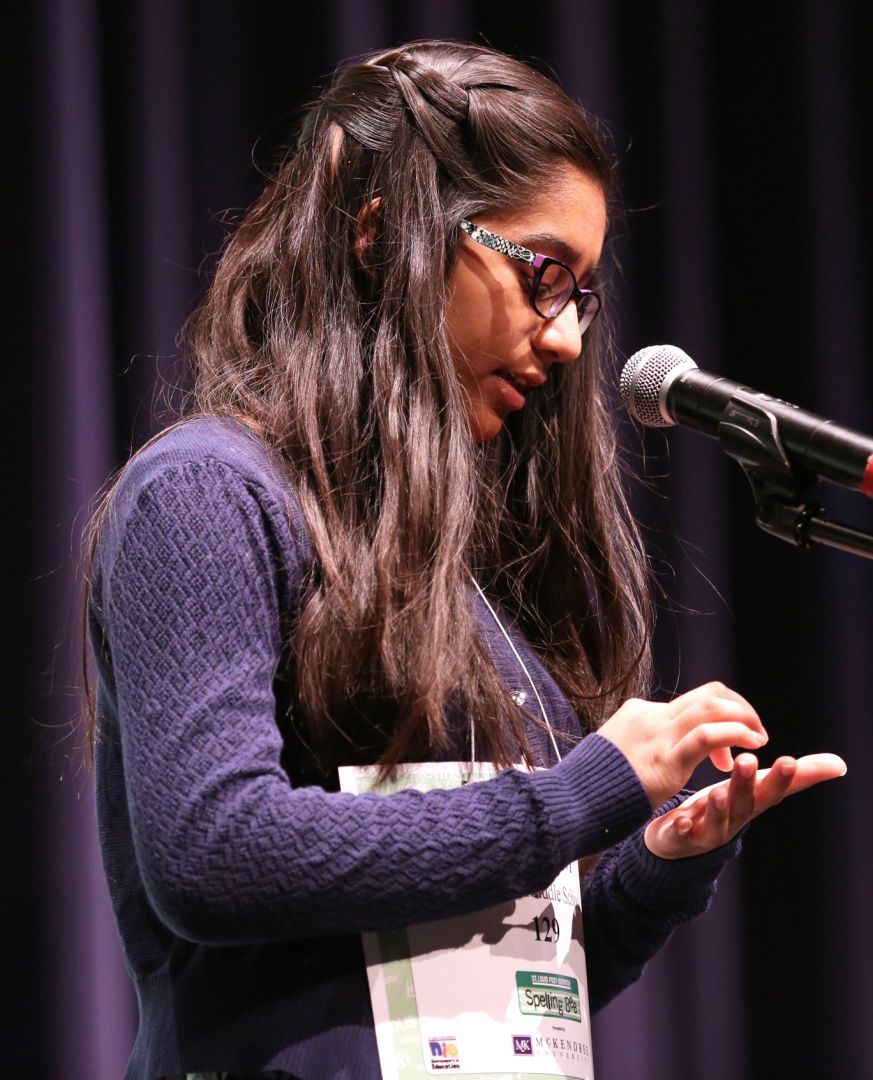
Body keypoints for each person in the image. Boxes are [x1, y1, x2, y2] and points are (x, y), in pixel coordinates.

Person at [85, 40, 845, 1080]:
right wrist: (581, 796)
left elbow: (487, 991)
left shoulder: (462, 573)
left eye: (582, 294)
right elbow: (214, 853)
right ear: (379, 234)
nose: (572, 336)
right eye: (544, 275)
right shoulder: (207, 490)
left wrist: (656, 868)